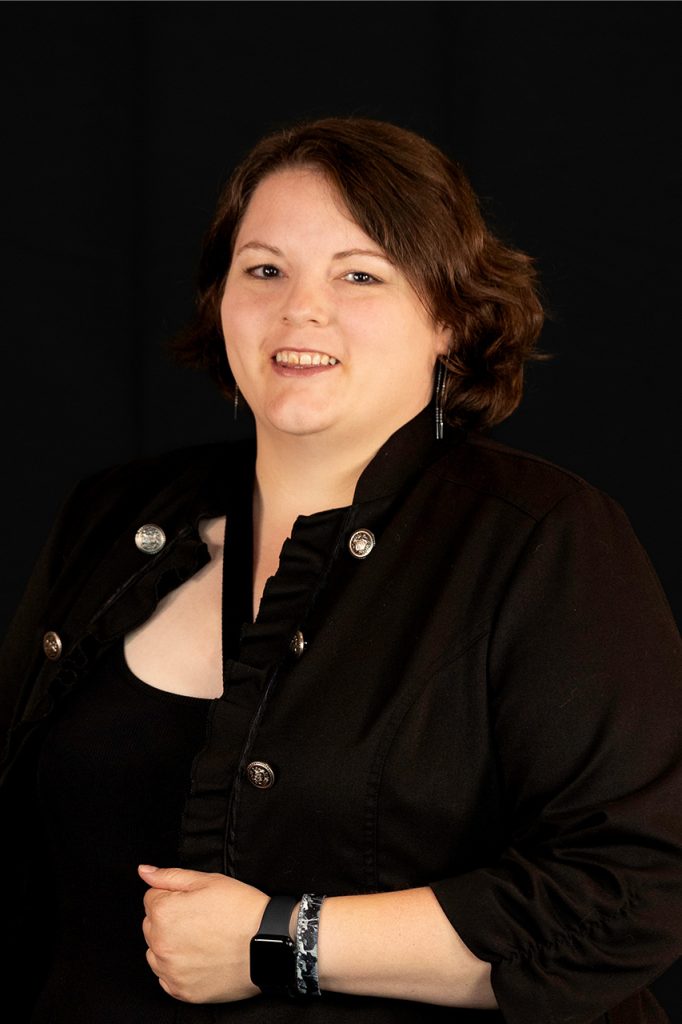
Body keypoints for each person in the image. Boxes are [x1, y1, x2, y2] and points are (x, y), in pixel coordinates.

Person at [1, 115, 681, 1024]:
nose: (300, 310)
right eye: (264, 269)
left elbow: (632, 893)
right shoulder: (112, 520)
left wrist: (282, 939)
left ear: (450, 317)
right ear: (221, 302)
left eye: (359, 274)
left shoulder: (544, 540)